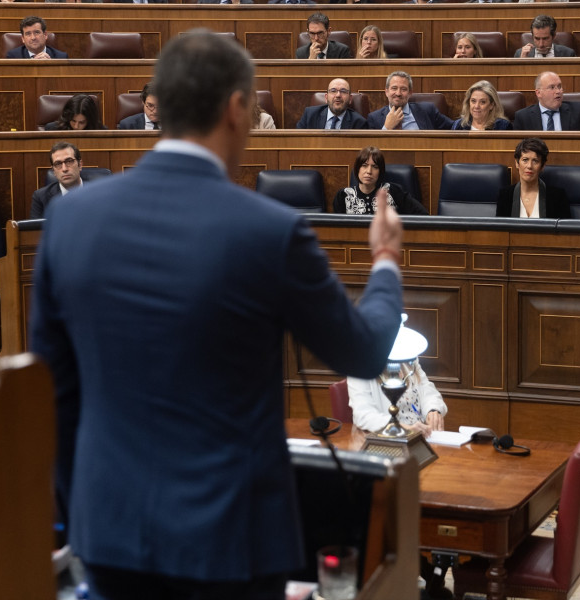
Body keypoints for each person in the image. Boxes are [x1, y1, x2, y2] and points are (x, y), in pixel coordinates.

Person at [30, 29, 404, 600]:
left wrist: (85, 507)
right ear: (234, 107)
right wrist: (384, 263)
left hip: (109, 531)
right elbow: (366, 349)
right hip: (232, 540)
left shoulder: (71, 221)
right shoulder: (270, 230)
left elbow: (53, 394)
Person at [348, 358, 446, 435]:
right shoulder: (358, 366)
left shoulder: (409, 358)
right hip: (389, 444)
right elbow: (363, 415)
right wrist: (401, 428)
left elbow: (426, 388)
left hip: (423, 437)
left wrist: (432, 410)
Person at [334, 146, 427, 215]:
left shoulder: (393, 191)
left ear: (380, 171)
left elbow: (422, 215)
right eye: (364, 165)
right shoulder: (343, 196)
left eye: (375, 167)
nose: (369, 171)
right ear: (357, 169)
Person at [496, 138, 570, 218]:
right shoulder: (505, 196)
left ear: (542, 166)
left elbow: (565, 229)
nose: (529, 166)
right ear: (517, 163)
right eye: (525, 160)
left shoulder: (558, 197)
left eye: (535, 161)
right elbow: (500, 229)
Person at [513, 71, 580, 131]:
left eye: (559, 86)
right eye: (552, 87)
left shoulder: (579, 110)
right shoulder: (523, 117)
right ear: (538, 93)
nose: (558, 91)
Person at [367, 71, 453, 130]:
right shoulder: (374, 118)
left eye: (403, 89)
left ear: (410, 93)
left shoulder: (427, 110)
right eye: (394, 88)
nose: (398, 93)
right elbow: (371, 150)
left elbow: (453, 127)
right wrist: (386, 128)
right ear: (386, 92)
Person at [30, 142, 85, 218]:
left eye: (69, 161)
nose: (64, 169)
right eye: (58, 164)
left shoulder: (98, 193)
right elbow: (36, 229)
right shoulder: (41, 197)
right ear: (54, 171)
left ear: (80, 165)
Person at [297, 78, 368, 130]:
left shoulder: (359, 122)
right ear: (326, 97)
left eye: (343, 91)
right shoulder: (309, 115)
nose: (338, 95)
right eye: (333, 91)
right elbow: (298, 142)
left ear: (350, 99)